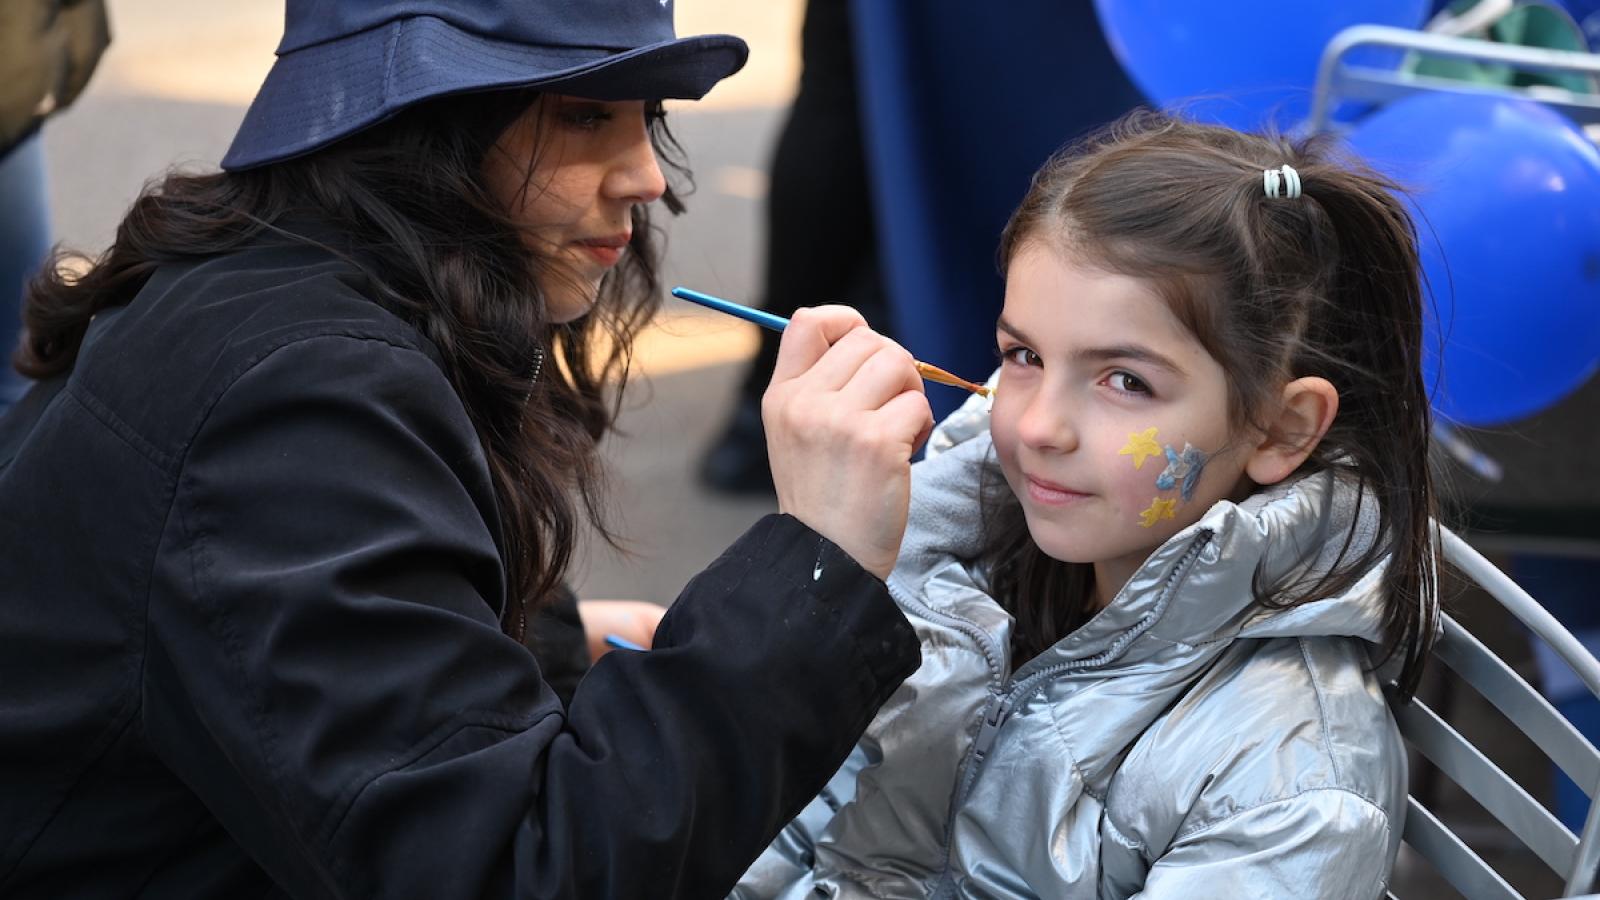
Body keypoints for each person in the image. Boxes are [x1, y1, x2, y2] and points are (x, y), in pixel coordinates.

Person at [0, 1, 933, 897]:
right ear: (425, 126)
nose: (648, 174)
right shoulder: (301, 404)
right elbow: (513, 869)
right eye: (583, 114)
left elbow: (313, 643)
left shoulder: (295, 283)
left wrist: (549, 644)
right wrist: (816, 565)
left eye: (646, 115)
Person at [733, 110, 1442, 899]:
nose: (1038, 426)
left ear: (1280, 427)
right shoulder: (956, 563)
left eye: (1125, 381)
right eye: (1024, 356)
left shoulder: (1293, 787)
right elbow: (787, 832)